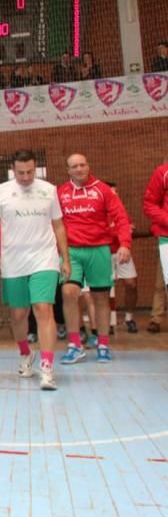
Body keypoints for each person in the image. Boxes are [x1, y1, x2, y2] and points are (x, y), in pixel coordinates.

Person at [0, 150, 70, 390]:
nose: (25, 177)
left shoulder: (49, 190)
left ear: (36, 168)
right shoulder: (1, 192)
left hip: (44, 257)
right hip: (13, 261)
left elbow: (59, 226)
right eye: (20, 172)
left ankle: (47, 367)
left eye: (30, 172)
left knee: (43, 309)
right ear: (13, 169)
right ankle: (25, 354)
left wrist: (65, 258)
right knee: (18, 315)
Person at [57, 154, 132, 365]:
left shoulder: (103, 190)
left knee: (100, 298)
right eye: (74, 166)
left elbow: (121, 217)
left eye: (82, 165)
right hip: (71, 250)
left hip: (99, 249)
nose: (79, 169)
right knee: (69, 292)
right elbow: (53, 222)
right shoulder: (61, 192)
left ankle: (103, 344)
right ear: (68, 170)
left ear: (88, 166)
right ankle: (74, 344)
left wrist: (124, 243)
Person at [108, 183, 138, 333]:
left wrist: (120, 233)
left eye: (117, 192)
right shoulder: (99, 212)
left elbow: (129, 228)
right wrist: (116, 232)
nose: (115, 195)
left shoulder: (121, 212)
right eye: (112, 193)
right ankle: (108, 322)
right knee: (104, 289)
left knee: (131, 284)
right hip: (105, 254)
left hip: (122, 252)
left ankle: (129, 318)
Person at [143, 158, 168, 331]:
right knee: (163, 282)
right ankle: (156, 318)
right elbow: (150, 204)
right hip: (167, 237)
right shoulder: (163, 172)